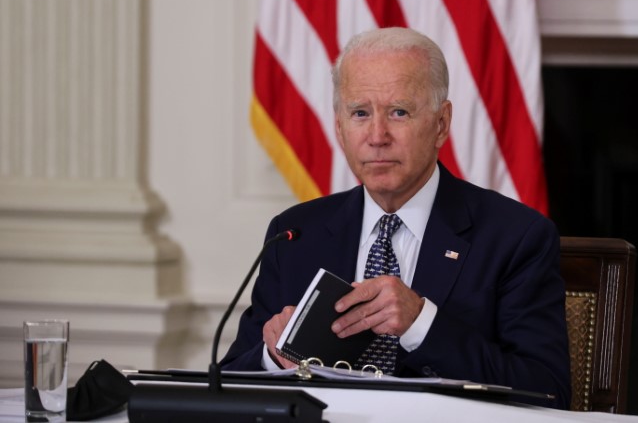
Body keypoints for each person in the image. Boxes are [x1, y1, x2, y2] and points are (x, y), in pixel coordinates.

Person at [221, 27, 571, 408]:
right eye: (359, 113)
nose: (377, 135)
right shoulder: (294, 235)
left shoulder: (516, 237)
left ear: (441, 124)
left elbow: (547, 392)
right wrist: (273, 358)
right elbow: (229, 379)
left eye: (399, 112)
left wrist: (421, 323)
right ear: (339, 128)